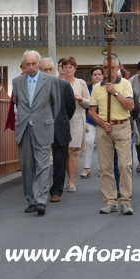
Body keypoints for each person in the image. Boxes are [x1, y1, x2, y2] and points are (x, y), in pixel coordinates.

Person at [11, 50, 60, 215]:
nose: (30, 67)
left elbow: (56, 105)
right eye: (27, 64)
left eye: (33, 64)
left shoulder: (51, 80)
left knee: (43, 165)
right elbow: (17, 105)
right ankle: (31, 200)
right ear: (24, 65)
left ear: (39, 64)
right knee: (27, 166)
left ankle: (40, 201)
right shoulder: (17, 81)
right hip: (24, 128)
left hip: (43, 127)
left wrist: (47, 121)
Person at [88, 55, 135, 215]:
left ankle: (125, 201)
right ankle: (110, 201)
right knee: (105, 167)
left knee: (124, 165)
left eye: (111, 67)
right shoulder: (96, 88)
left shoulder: (125, 84)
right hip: (104, 129)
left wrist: (115, 92)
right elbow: (91, 110)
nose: (107, 70)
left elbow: (130, 106)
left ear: (117, 67)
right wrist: (101, 123)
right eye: (105, 67)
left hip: (122, 126)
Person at [39, 58, 76, 203]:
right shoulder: (36, 87)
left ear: (54, 70)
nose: (48, 72)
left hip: (60, 128)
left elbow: (70, 108)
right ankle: (40, 190)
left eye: (50, 69)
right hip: (41, 129)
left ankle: (56, 190)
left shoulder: (64, 85)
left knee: (59, 162)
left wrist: (61, 120)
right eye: (45, 69)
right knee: (41, 162)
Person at [60, 56, 90, 191]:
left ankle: (71, 181)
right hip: (62, 119)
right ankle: (68, 176)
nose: (68, 70)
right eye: (65, 67)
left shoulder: (81, 83)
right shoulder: (57, 82)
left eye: (70, 67)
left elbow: (89, 102)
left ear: (75, 68)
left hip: (77, 118)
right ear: (62, 69)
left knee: (74, 150)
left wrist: (80, 99)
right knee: (65, 151)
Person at [81, 65, 104, 178]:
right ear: (91, 76)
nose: (97, 76)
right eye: (95, 74)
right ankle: (86, 168)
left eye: (99, 74)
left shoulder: (106, 87)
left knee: (102, 144)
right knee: (89, 142)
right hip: (90, 119)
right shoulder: (88, 88)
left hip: (103, 120)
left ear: (103, 76)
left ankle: (101, 168)